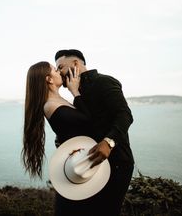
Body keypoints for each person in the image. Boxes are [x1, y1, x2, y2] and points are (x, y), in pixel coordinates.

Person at [55, 49, 134, 216]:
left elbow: (125, 114)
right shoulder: (76, 90)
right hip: (92, 164)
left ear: (76, 63)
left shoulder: (104, 82)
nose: (58, 72)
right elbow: (88, 124)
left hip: (117, 162)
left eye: (60, 67)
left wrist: (108, 142)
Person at [22, 61, 97, 216]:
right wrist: (75, 91)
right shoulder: (50, 105)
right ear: (49, 79)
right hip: (75, 165)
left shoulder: (59, 101)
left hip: (80, 159)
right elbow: (88, 122)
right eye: (55, 70)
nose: (59, 72)